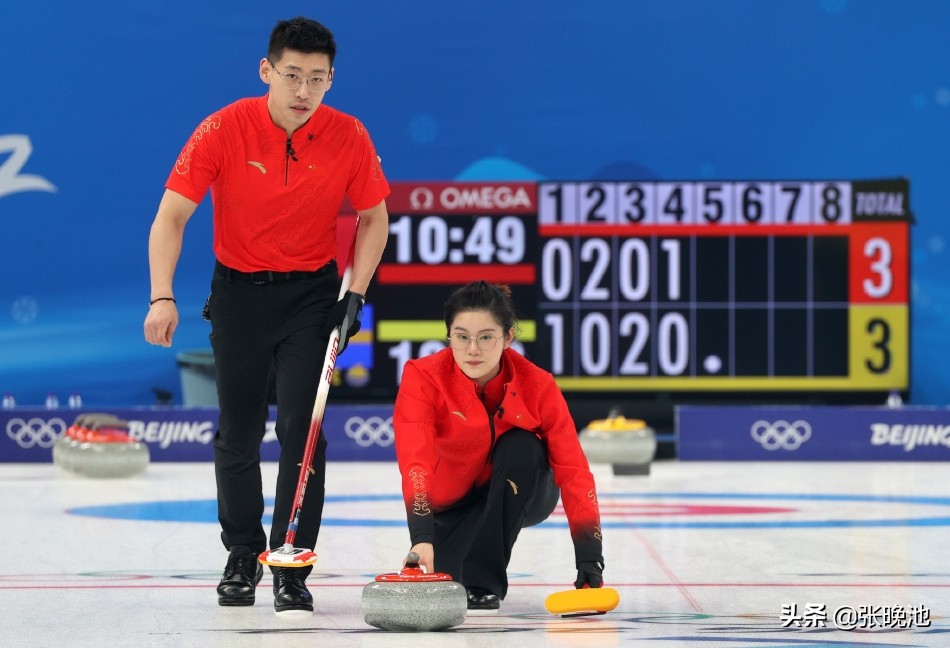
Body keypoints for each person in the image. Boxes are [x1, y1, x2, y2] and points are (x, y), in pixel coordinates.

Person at [143, 17, 390, 614]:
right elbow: (171, 217)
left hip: (312, 297)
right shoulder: (223, 129)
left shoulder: (349, 135)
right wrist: (161, 295)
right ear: (267, 72)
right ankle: (241, 555)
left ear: (331, 80)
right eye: (291, 76)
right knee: (239, 431)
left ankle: (290, 564)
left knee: (302, 434)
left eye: (317, 79)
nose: (303, 91)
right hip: (239, 295)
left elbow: (374, 218)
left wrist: (354, 296)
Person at [392, 281, 605, 612]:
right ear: (448, 336)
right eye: (461, 337)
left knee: (523, 445)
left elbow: (574, 471)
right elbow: (415, 461)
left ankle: (484, 583)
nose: (473, 350)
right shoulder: (423, 376)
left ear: (508, 338)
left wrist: (591, 561)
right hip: (451, 510)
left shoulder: (538, 385)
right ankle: (464, 563)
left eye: (486, 337)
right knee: (449, 578)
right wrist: (422, 537)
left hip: (524, 492)